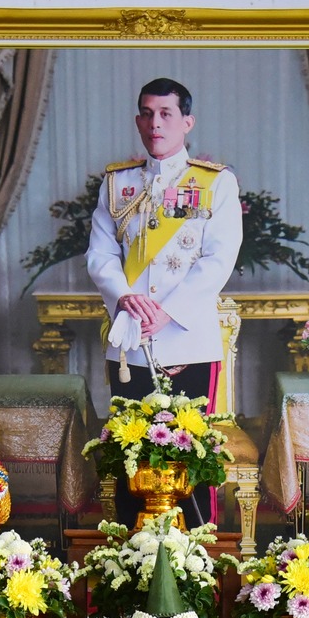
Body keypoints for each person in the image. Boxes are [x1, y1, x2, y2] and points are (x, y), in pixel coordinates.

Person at [86, 77, 242, 521]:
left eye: (166, 114)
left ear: (187, 122)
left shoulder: (216, 183)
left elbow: (218, 259)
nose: (156, 123)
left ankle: (195, 555)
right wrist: (126, 298)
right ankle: (130, 554)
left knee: (193, 457)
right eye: (147, 114)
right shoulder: (117, 184)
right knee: (130, 455)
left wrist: (168, 312)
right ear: (138, 121)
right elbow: (100, 255)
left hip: (188, 341)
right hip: (130, 340)